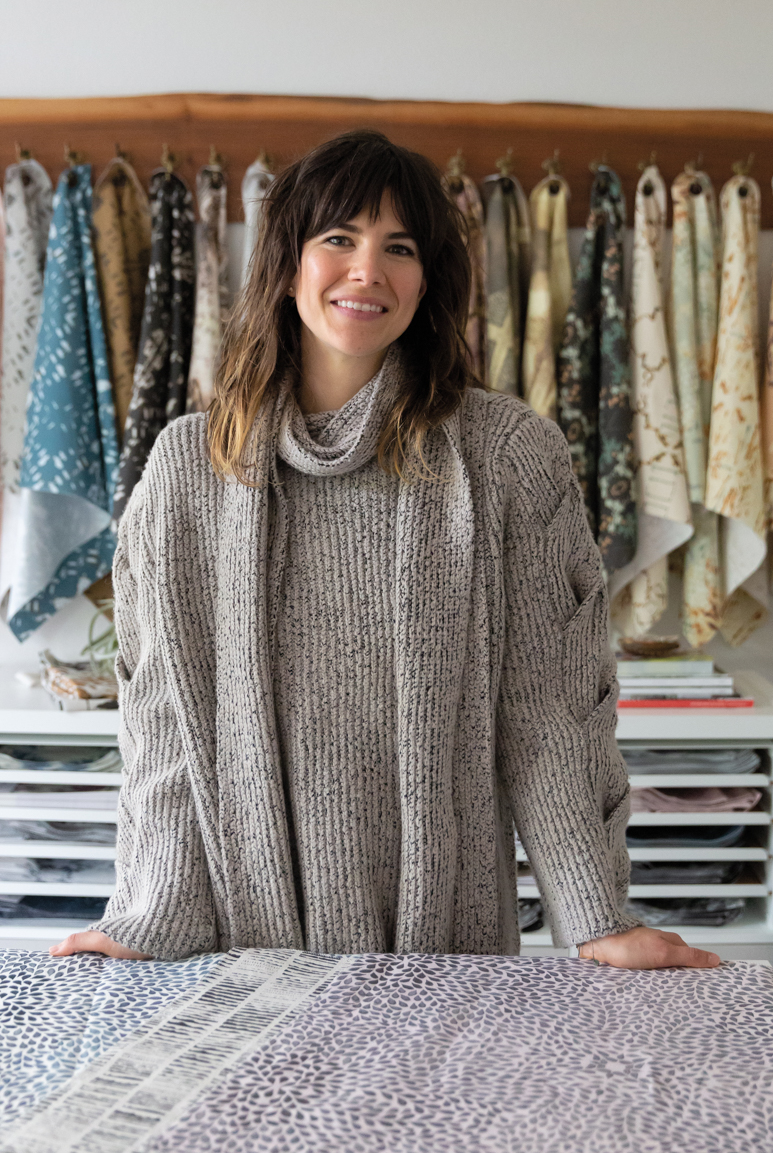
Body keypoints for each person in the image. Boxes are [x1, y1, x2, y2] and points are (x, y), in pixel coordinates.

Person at [51, 130, 718, 971]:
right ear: (288, 261)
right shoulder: (187, 470)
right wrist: (147, 915)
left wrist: (599, 918)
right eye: (339, 238)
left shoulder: (511, 457)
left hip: (450, 957)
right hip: (244, 957)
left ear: (426, 279)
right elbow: (167, 730)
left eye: (398, 247)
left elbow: (549, 717)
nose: (368, 270)